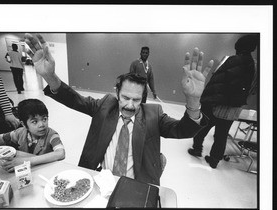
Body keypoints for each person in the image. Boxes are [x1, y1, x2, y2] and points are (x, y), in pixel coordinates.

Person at [24, 33, 213, 185]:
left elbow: (183, 130)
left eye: (136, 99)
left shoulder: (154, 115)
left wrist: (194, 100)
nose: (130, 105)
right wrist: (50, 77)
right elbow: (74, 99)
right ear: (116, 93)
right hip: (101, 179)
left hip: (137, 184)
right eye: (125, 98)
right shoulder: (105, 105)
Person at [187, 34, 258, 169]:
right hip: (234, 110)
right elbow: (253, 90)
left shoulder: (232, 60)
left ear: (239, 47)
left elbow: (217, 82)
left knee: (202, 128)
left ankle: (197, 149)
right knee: (221, 135)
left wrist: (204, 100)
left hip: (217, 106)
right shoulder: (255, 67)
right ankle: (214, 160)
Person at [0, 98, 65, 172]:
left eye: (44, 119)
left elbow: (60, 153)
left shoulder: (52, 135)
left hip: (46, 171)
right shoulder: (20, 132)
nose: (41, 125)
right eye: (34, 122)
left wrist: (24, 161)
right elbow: (0, 139)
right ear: (23, 124)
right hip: (28, 172)